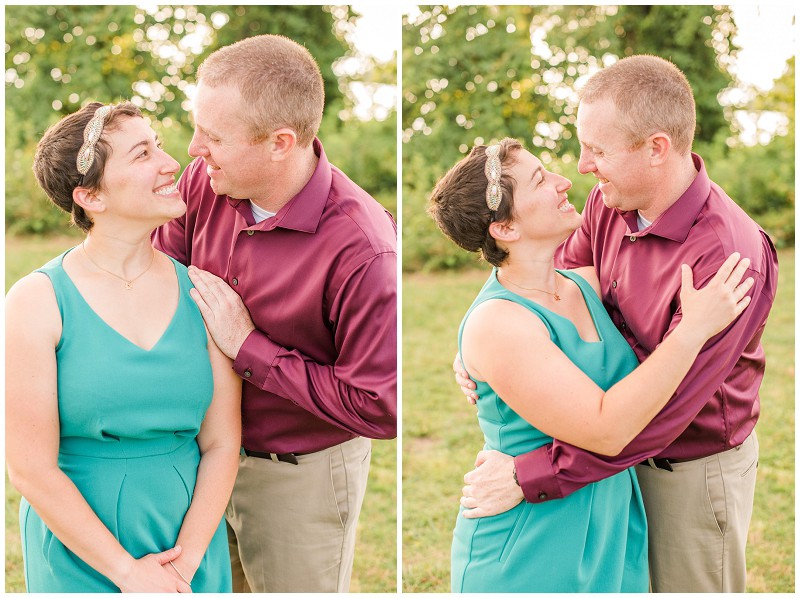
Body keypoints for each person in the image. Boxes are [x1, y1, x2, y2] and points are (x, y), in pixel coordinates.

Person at [454, 55, 778, 592]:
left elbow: (664, 414)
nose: (582, 166)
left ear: (656, 148)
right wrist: (482, 344)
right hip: (602, 477)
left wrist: (530, 474)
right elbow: (550, 281)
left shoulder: (726, 257)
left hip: (685, 473)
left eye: (597, 151)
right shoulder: (611, 203)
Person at [152, 34, 397, 593]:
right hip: (198, 457)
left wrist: (250, 347)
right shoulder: (205, 182)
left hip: (298, 476)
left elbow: (380, 407)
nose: (193, 149)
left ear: (280, 142)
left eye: (213, 136)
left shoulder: (365, 251)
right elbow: (164, 273)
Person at [5, 101, 242, 592]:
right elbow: (30, 467)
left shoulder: (204, 293)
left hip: (185, 537)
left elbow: (221, 443)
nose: (170, 162)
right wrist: (128, 573)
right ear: (90, 196)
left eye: (158, 145)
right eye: (142, 154)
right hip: (80, 549)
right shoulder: (37, 301)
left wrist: (187, 561)